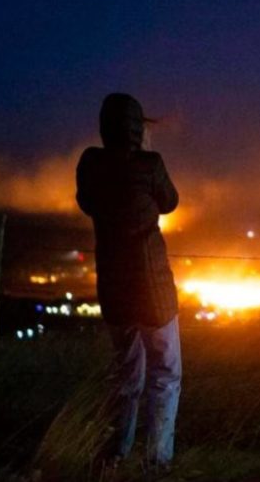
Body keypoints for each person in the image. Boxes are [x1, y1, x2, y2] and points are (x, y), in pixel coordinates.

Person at [75, 92, 182, 471]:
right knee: (165, 374)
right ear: (138, 129)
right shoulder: (150, 165)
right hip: (153, 291)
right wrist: (143, 152)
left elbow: (87, 201)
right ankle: (157, 460)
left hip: (114, 291)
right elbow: (170, 201)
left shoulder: (90, 164)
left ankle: (117, 450)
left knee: (126, 373)